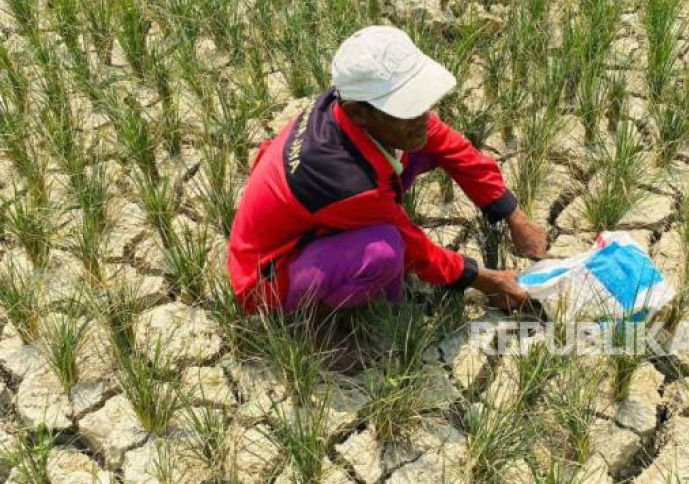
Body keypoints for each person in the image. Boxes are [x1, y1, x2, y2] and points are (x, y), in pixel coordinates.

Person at [227, 25, 549, 317]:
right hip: (266, 276)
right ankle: (319, 327)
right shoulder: (345, 182)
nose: (423, 116)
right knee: (384, 250)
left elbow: (454, 148)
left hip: (310, 220)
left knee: (422, 148)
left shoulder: (354, 104)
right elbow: (415, 249)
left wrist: (515, 217)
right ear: (359, 114)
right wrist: (486, 280)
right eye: (406, 108)